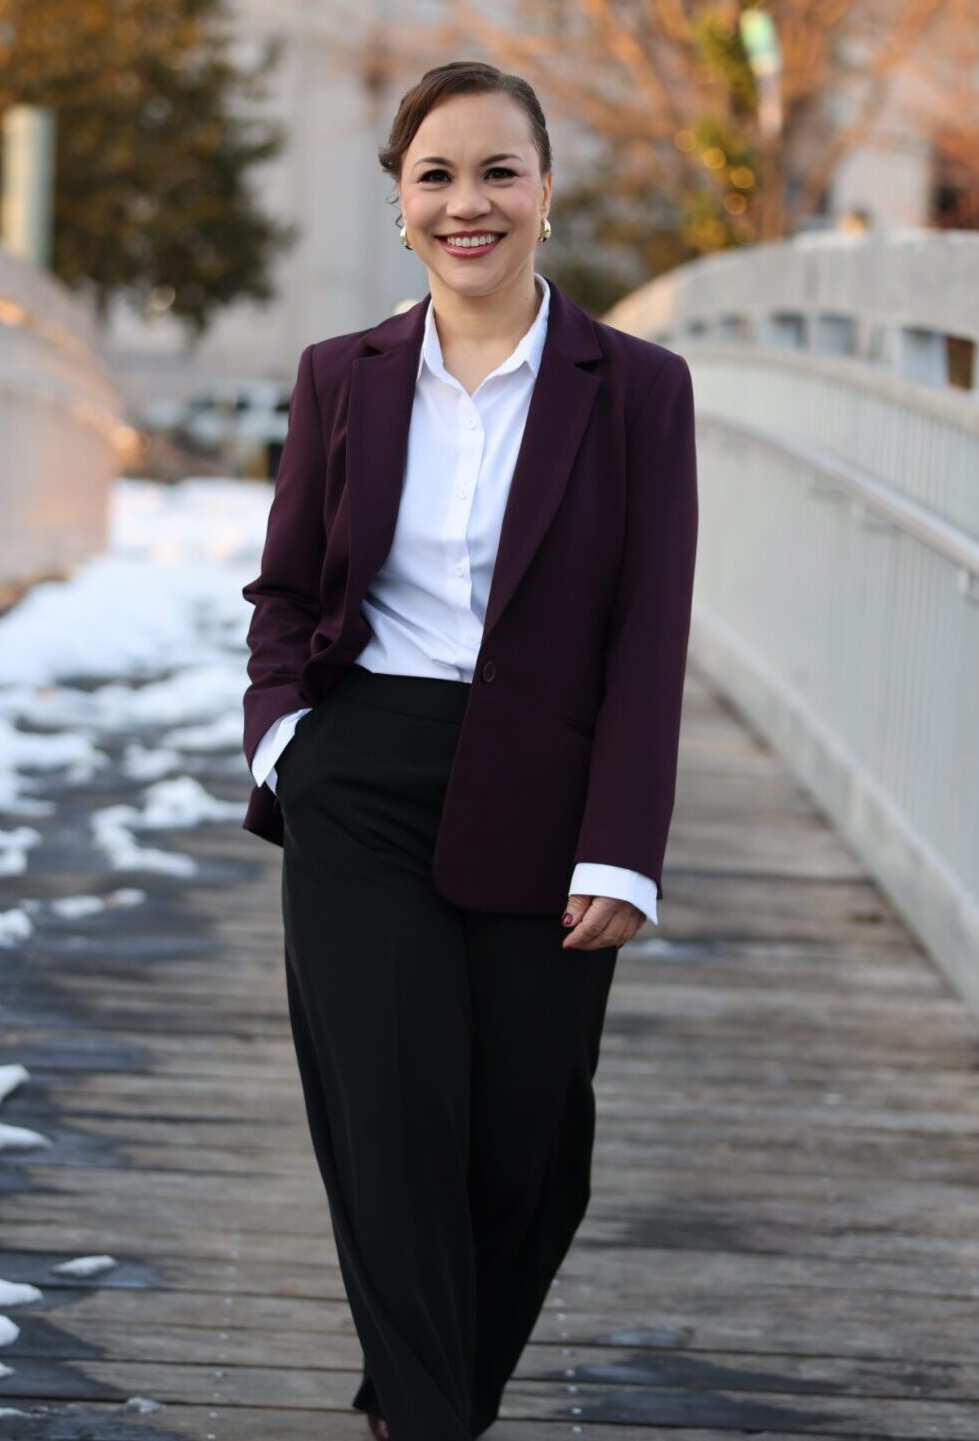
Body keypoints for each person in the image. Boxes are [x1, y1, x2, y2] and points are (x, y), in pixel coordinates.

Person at [240, 59, 698, 1441]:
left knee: (523, 1155)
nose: (467, 202)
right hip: (364, 774)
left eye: (498, 170)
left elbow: (646, 631)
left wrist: (623, 843)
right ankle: (428, 1426)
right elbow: (285, 591)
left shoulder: (635, 389)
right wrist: (282, 747)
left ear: (544, 192)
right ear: (398, 206)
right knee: (389, 1131)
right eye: (435, 175)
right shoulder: (342, 377)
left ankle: (420, 1393)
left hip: (544, 796)